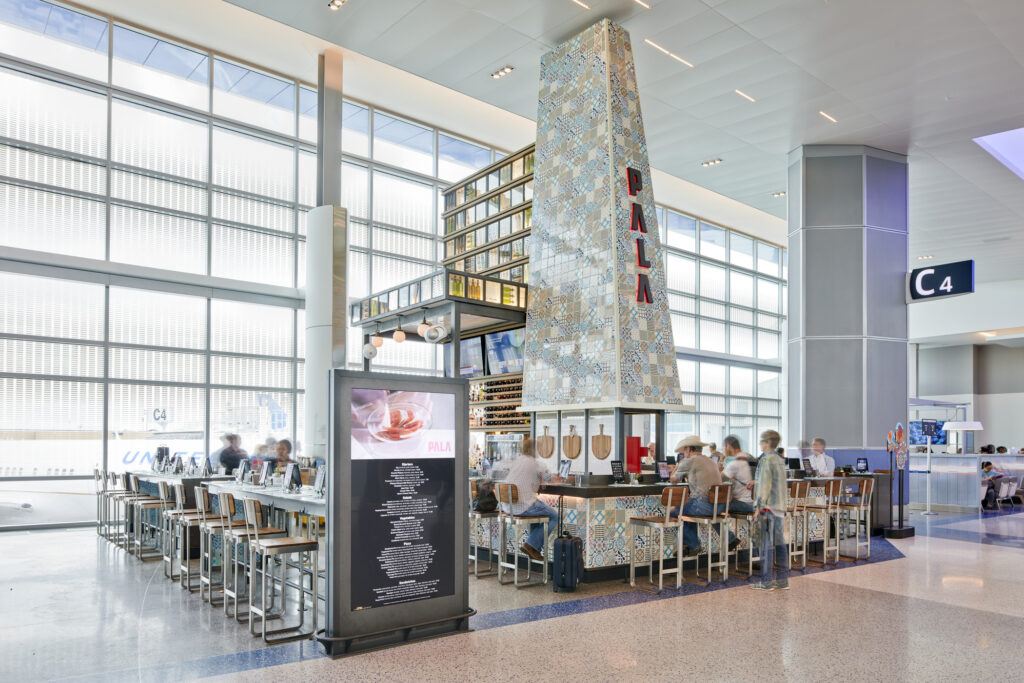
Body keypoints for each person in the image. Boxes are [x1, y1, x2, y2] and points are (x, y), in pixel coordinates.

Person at [671, 435, 738, 556]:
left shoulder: (689, 461)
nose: (684, 453)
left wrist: (678, 465)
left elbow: (673, 479)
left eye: (684, 450)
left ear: (689, 449)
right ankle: (730, 538)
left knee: (673, 512)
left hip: (704, 505)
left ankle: (693, 545)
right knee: (687, 511)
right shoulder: (711, 461)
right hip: (720, 506)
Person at [501, 437, 559, 562]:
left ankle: (532, 548)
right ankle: (530, 545)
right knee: (554, 516)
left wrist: (539, 481)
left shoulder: (516, 461)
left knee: (539, 519)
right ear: (533, 450)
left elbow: (527, 480)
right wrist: (566, 479)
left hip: (507, 507)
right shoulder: (536, 463)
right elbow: (553, 480)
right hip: (523, 506)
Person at [751, 429, 790, 591]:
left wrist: (758, 507)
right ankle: (782, 581)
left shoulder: (766, 460)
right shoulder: (780, 459)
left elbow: (765, 485)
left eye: (762, 441)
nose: (760, 444)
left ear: (767, 443)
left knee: (766, 545)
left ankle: (766, 581)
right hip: (780, 507)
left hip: (768, 508)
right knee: (780, 544)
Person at [721, 435, 754, 514]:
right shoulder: (751, 458)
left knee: (714, 506)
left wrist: (720, 463)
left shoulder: (734, 463)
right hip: (754, 502)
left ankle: (720, 526)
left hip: (743, 503)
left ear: (728, 446)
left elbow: (718, 479)